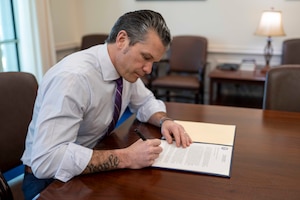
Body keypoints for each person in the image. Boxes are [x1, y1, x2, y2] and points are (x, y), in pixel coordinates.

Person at [21, 9, 192, 200]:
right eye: (145, 57)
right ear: (122, 40)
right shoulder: (73, 78)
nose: (148, 69)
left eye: (154, 62)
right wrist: (127, 157)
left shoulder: (125, 69)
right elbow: (47, 161)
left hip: (91, 163)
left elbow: (145, 102)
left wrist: (165, 121)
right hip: (50, 183)